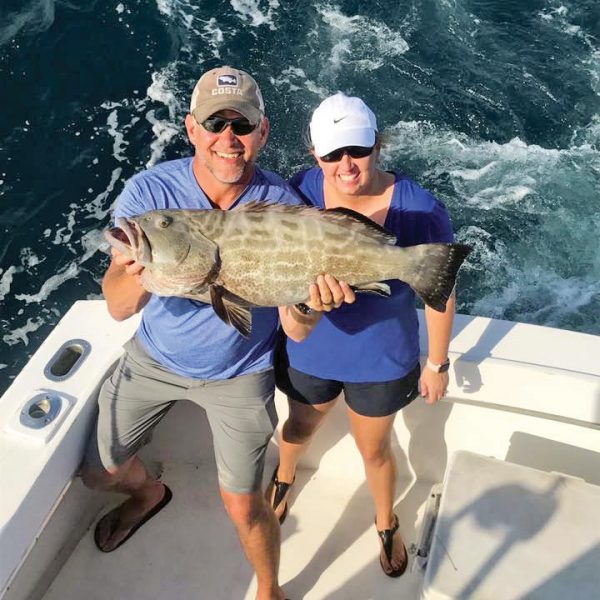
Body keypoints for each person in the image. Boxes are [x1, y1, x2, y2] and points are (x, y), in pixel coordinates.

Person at [81, 67, 354, 600]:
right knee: (99, 474)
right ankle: (149, 493)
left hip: (241, 374)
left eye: (242, 125)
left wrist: (314, 305)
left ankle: (270, 591)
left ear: (263, 131)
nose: (229, 138)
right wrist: (143, 270)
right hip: (153, 360)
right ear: (191, 128)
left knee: (244, 506)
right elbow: (116, 306)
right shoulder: (152, 195)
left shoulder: (285, 207)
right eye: (215, 123)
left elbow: (295, 331)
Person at [267, 92, 456, 579]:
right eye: (332, 154)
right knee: (297, 428)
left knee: (373, 450)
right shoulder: (300, 192)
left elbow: (438, 285)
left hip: (381, 359)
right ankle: (284, 477)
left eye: (357, 150)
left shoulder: (420, 208)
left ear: (377, 144)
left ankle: (385, 520)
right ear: (315, 155)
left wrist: (437, 362)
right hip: (310, 350)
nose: (346, 166)